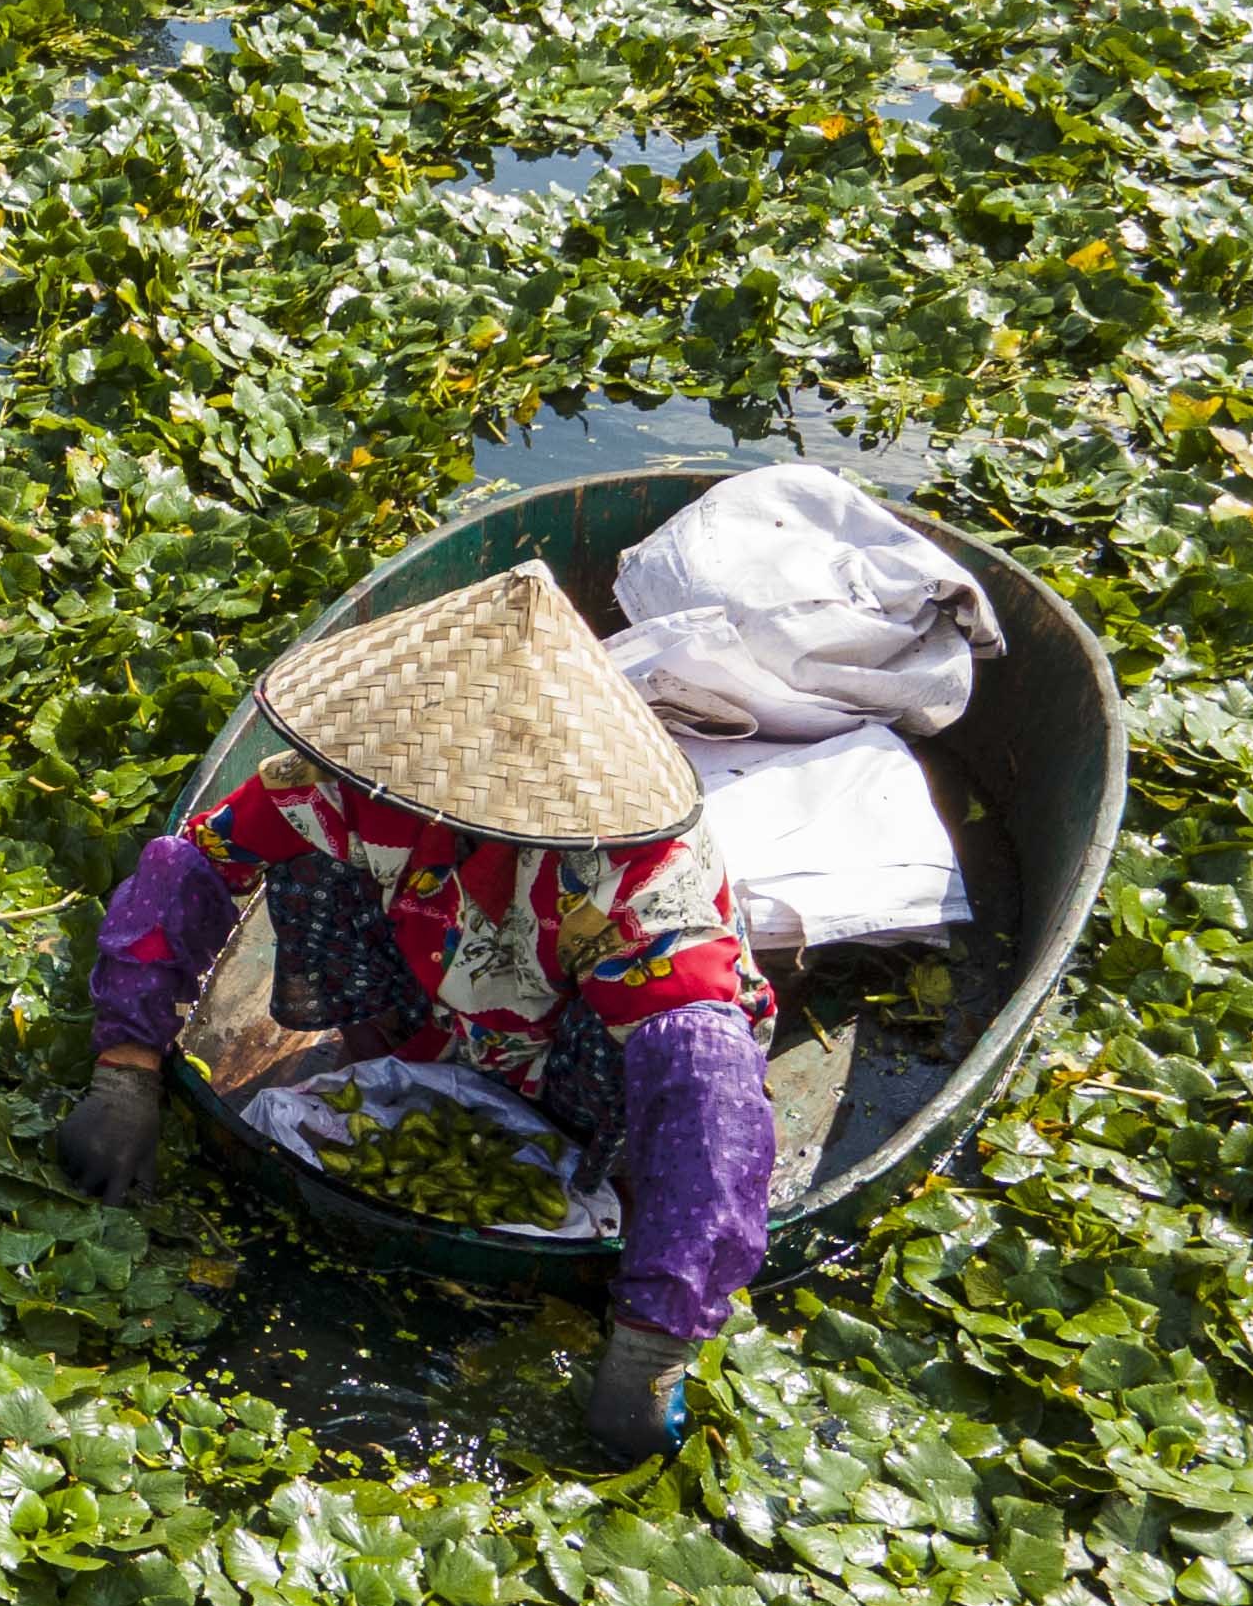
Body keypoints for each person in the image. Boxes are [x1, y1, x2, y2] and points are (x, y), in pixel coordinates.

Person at [52, 562, 779, 1462]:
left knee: (676, 1064)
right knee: (311, 859)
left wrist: (653, 1342)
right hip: (441, 1011)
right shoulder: (358, 785)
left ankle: (606, 1194)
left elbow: (712, 1103)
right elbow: (197, 866)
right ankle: (387, 1054)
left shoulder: (634, 879)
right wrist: (128, 1065)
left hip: (584, 1069)